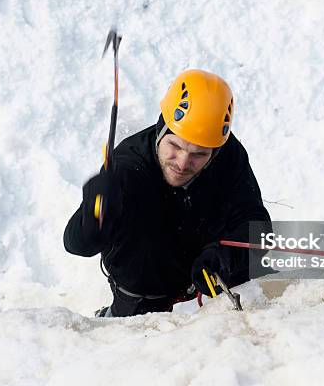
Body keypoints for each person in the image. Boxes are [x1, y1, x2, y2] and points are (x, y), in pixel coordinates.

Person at [63, 69, 271, 317]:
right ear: (161, 130)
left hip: (204, 262)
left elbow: (258, 227)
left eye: (199, 154)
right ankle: (120, 313)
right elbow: (76, 244)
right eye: (175, 145)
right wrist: (93, 215)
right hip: (148, 277)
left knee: (253, 253)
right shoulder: (128, 166)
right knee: (142, 297)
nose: (183, 163)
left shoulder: (228, 155)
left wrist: (225, 256)